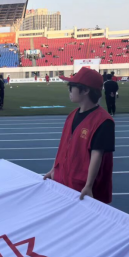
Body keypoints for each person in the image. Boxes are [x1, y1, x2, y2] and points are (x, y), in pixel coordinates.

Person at [43, 67, 114, 203]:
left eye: (72, 87)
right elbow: (63, 146)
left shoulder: (103, 121)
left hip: (83, 189)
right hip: (64, 181)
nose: (69, 91)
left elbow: (97, 155)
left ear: (85, 90)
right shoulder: (72, 115)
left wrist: (88, 185)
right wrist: (54, 169)